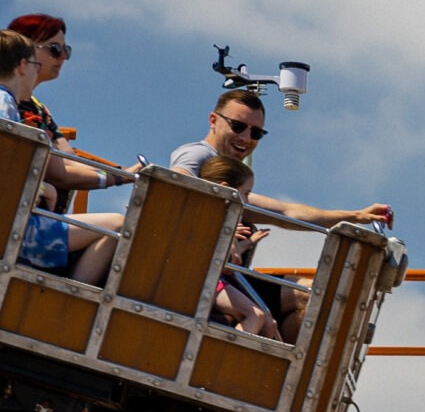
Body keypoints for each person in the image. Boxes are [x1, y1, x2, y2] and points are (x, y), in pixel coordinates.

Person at [172, 87, 396, 229]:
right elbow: (173, 187)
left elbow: (288, 212)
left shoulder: (236, 188)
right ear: (213, 121)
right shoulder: (199, 154)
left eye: (256, 133)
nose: (246, 138)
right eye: (238, 126)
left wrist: (356, 216)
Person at [2, 31, 126, 283]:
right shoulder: (5, 105)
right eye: (35, 65)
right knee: (118, 226)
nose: (37, 73)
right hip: (18, 231)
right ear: (23, 66)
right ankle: (67, 300)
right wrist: (42, 187)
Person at [197, 157, 306, 340]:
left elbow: (226, 259)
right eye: (246, 193)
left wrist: (245, 244)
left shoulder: (224, 219)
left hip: (215, 280)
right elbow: (226, 263)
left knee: (270, 324)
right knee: (256, 315)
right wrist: (230, 237)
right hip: (206, 281)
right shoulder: (212, 218)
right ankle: (224, 351)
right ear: (226, 189)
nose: (247, 201)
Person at [5, 14, 72, 145]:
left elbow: (66, 154)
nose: (63, 56)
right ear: (23, 48)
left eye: (66, 50)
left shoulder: (38, 108)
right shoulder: (5, 99)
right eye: (55, 49)